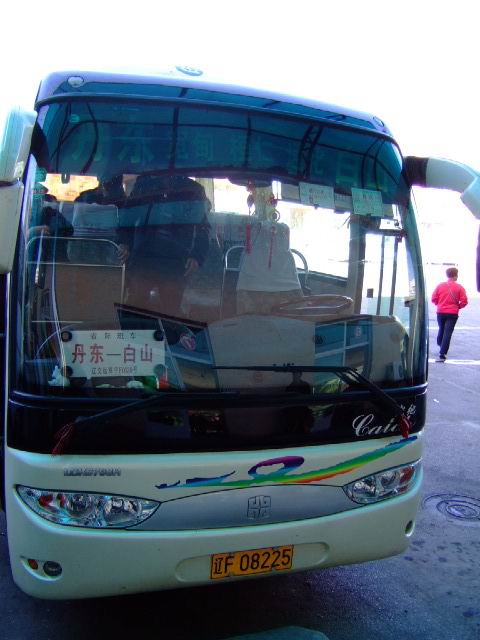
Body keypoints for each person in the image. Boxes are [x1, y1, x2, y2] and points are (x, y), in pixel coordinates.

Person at [123, 175, 210, 317]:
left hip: (175, 260)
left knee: (171, 310)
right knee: (135, 306)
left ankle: (170, 332)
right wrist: (124, 242)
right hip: (143, 257)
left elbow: (203, 227)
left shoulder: (193, 189)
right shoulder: (144, 184)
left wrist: (197, 256)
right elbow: (128, 216)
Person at [431, 267, 468, 361]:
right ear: (455, 275)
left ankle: (440, 343)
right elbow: (464, 301)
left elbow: (433, 298)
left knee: (441, 329)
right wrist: (458, 307)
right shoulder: (460, 287)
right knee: (448, 332)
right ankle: (442, 353)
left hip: (440, 312)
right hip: (452, 314)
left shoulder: (440, 286)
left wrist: (439, 304)